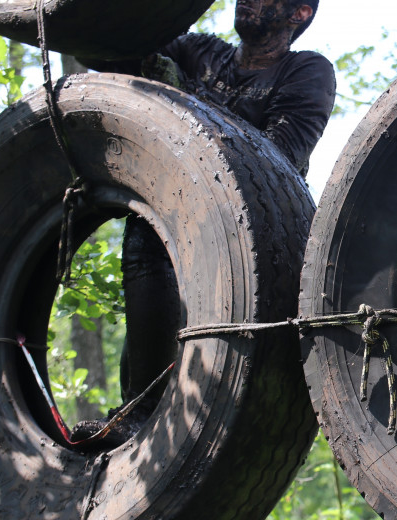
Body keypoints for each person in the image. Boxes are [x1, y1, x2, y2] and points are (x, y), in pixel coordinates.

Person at [72, 0, 336, 447]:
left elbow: (279, 160)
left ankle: (143, 414)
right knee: (150, 258)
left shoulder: (306, 71)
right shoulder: (199, 52)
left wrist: (192, 117)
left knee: (148, 236)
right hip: (177, 224)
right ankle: (138, 422)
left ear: (300, 14)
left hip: (258, 237)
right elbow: (100, 52)